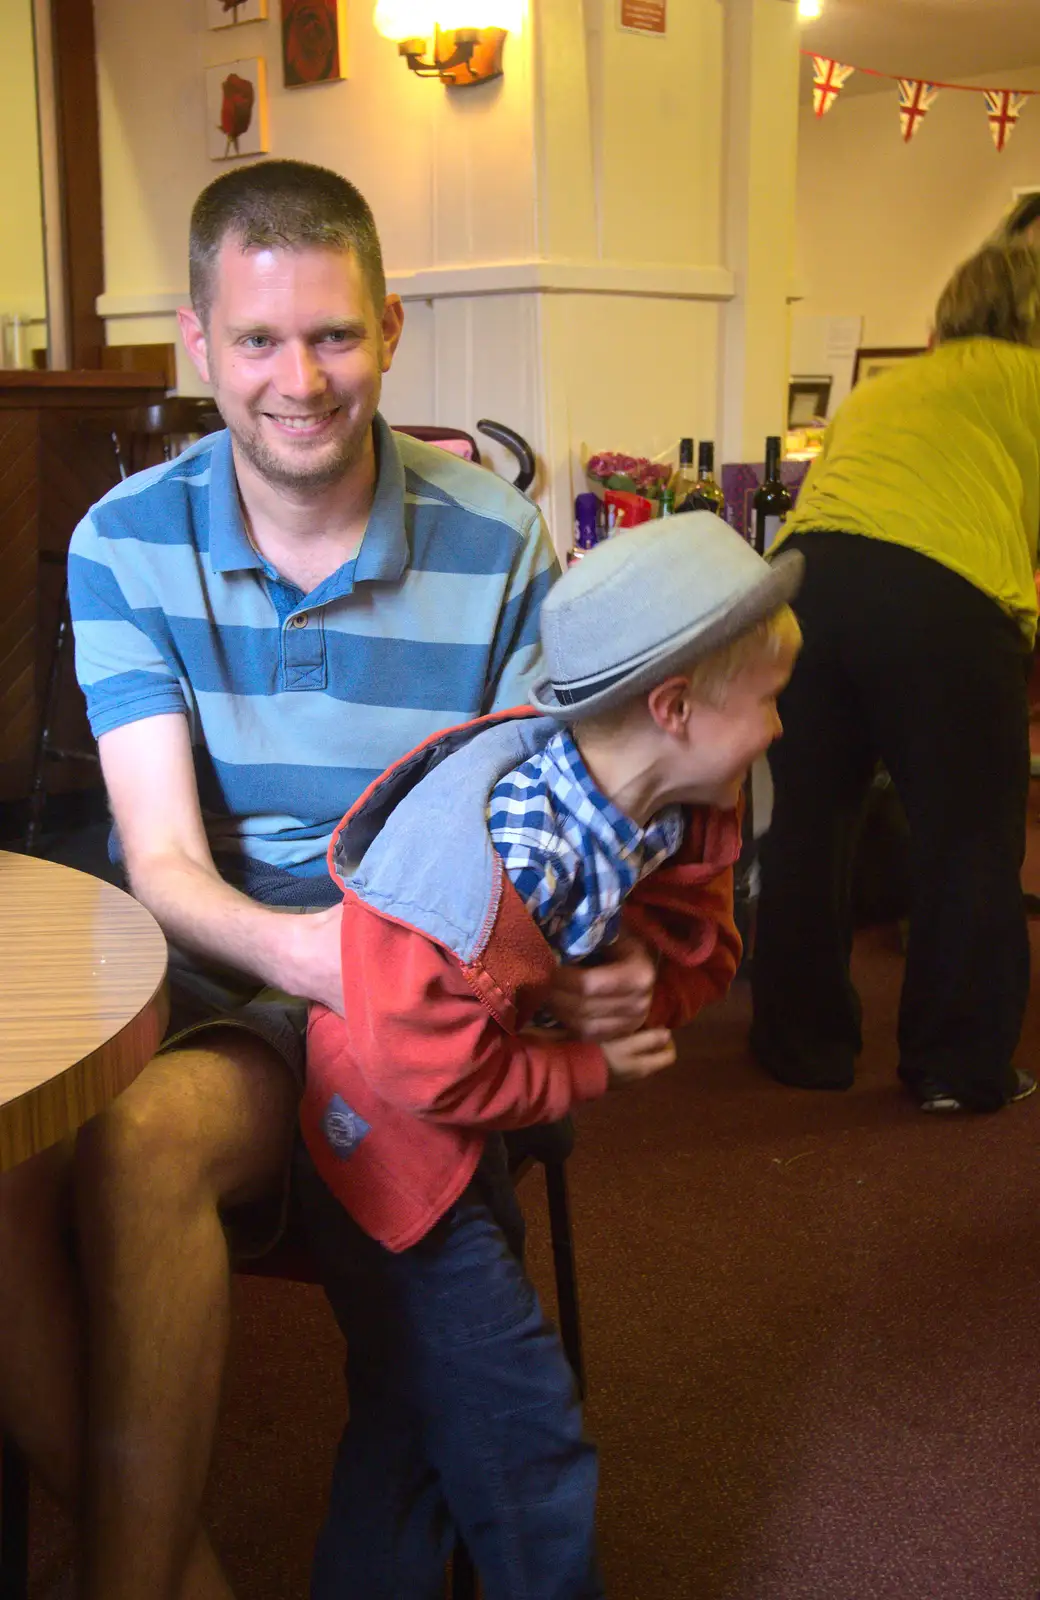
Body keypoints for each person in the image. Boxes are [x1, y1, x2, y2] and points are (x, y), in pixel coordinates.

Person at [0, 158, 659, 1600]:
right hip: (200, 960)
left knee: (142, 1145)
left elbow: (536, 825)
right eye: (257, 341)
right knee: (6, 1163)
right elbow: (164, 863)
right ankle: (177, 1570)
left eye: (334, 335)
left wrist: (573, 952)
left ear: (392, 328)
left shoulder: (496, 537)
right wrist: (316, 958)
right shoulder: (123, 540)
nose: (298, 378)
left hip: (402, 990)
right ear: (198, 342)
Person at [292, 512, 803, 1598]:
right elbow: (423, 1068)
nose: (776, 727)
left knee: (413, 1411)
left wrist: (623, 978)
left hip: (457, 1131)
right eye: (764, 700)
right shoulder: (504, 851)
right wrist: (588, 1068)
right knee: (523, 1434)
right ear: (671, 709)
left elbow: (694, 944)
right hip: (390, 1138)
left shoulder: (660, 802)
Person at [751, 239, 1040, 1113]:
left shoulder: (886, 389)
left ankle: (800, 1047)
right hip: (941, 595)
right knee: (970, 838)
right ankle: (959, 1067)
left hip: (801, 585)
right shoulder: (1029, 382)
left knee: (805, 825)